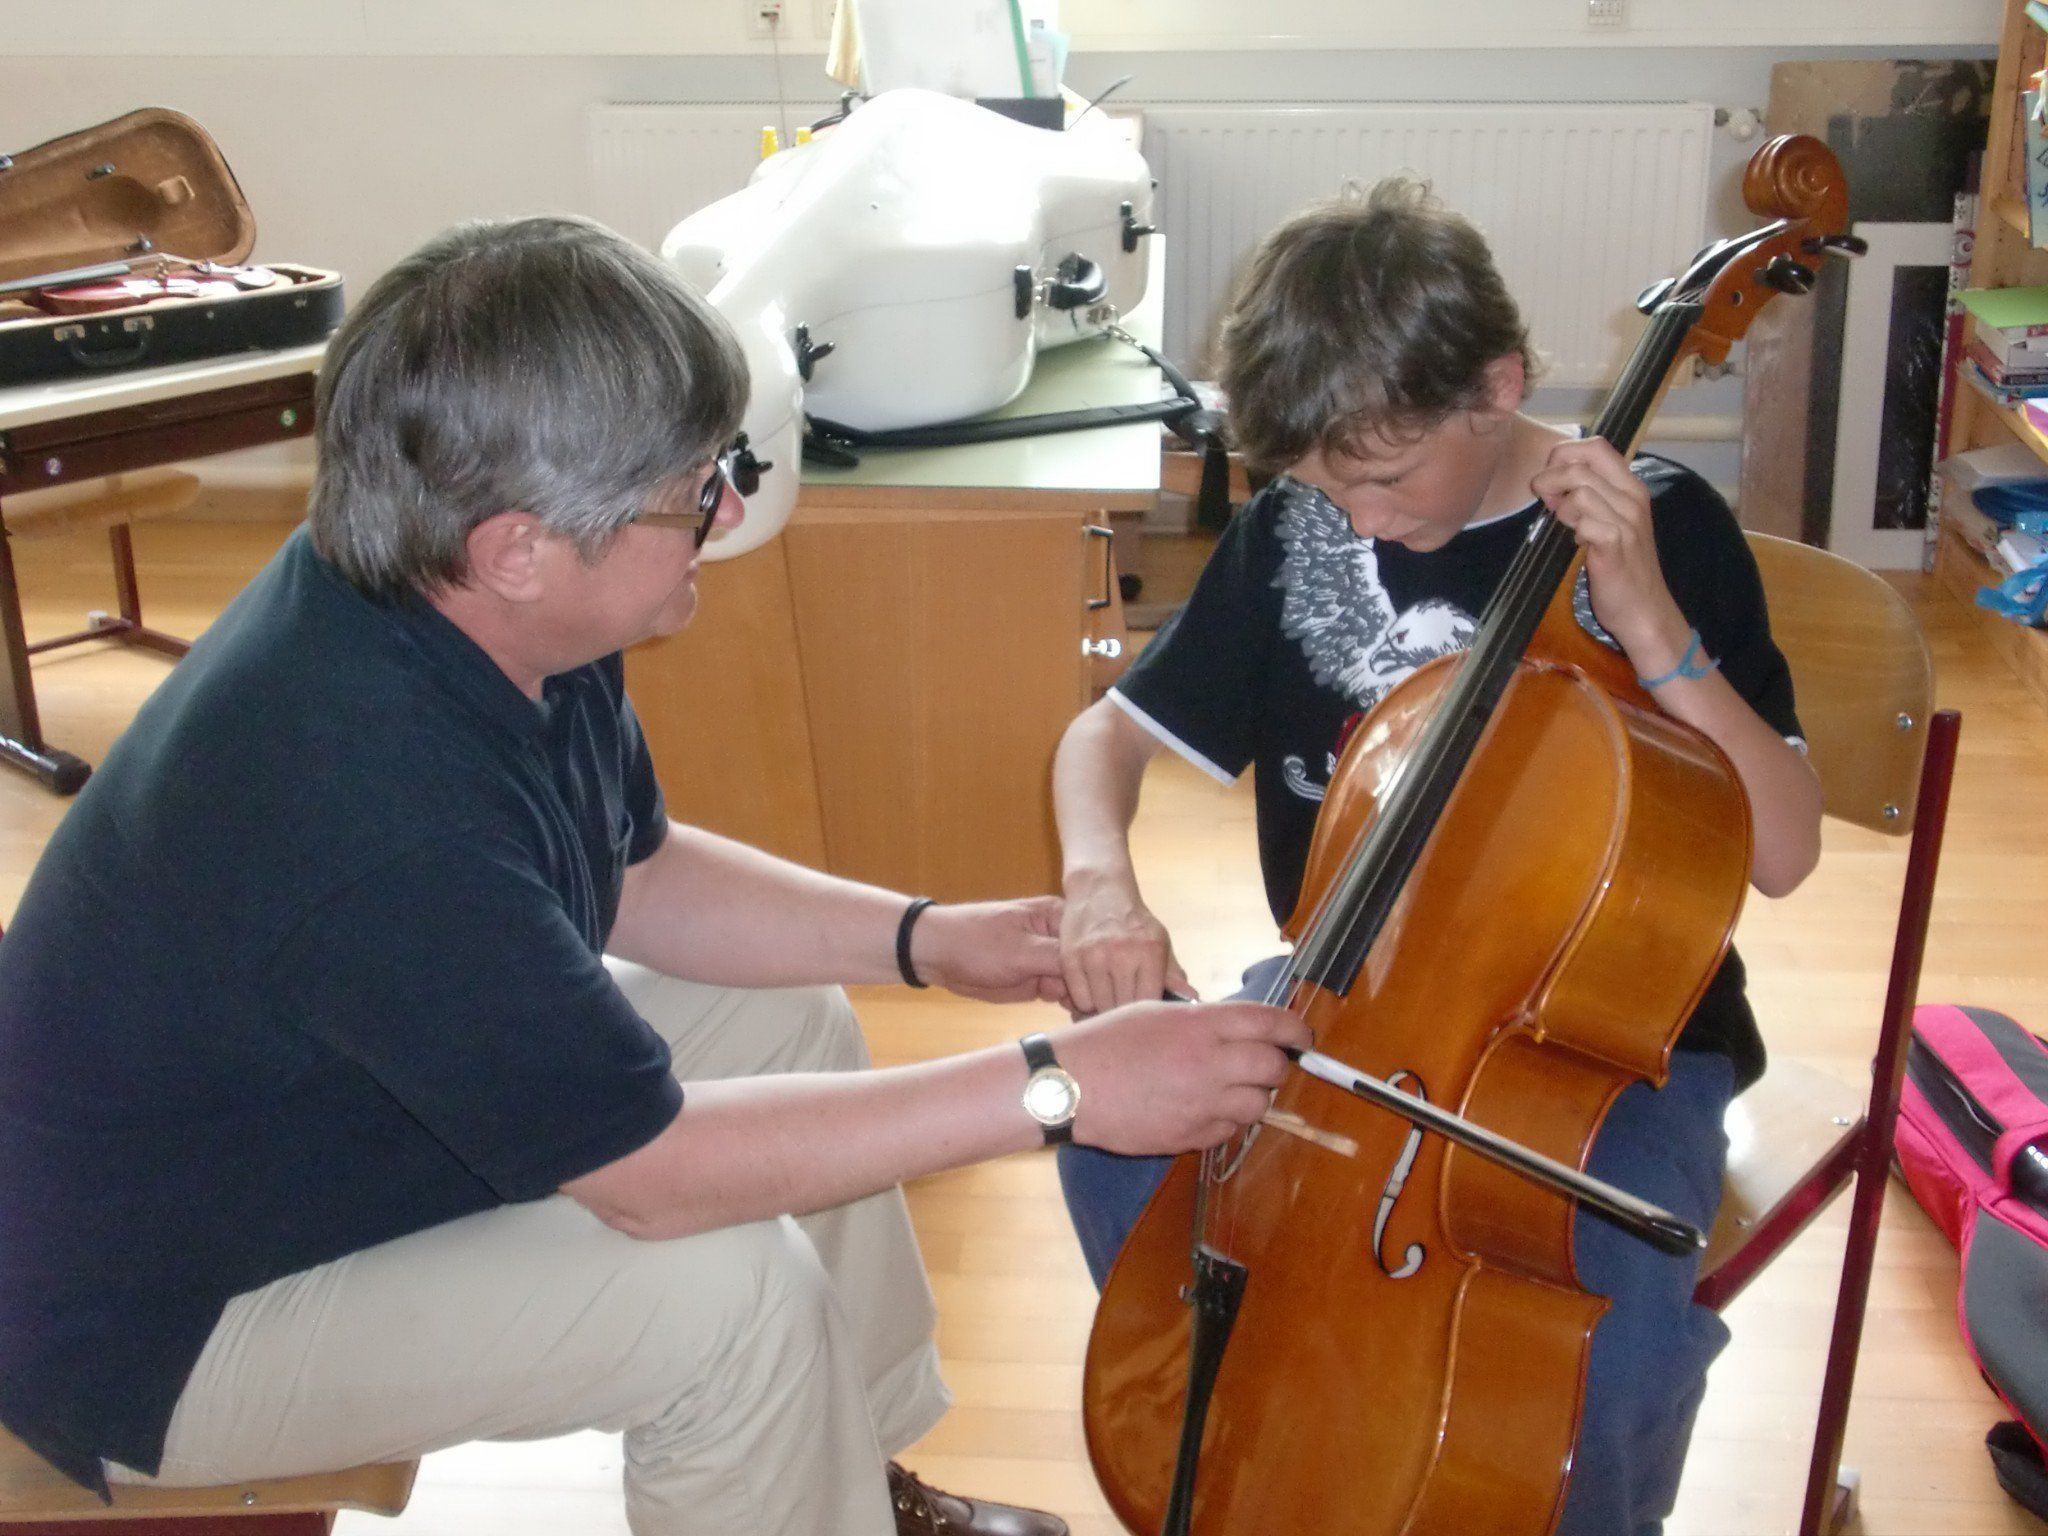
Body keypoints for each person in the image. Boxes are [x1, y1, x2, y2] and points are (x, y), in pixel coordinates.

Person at [0, 215, 1311, 1536]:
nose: (726, 511)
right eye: (693, 493)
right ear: (518, 546)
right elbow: (653, 1177)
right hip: (162, 1320)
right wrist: (1066, 1087)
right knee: (727, 1303)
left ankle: (848, 1481)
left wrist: (931, 939)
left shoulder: (471, 590)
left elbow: (636, 873)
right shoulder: (362, 796)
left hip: (304, 1135)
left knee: (796, 1022)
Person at [1051, 178, 1824, 1535]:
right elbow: (1097, 745)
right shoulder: (1294, 532)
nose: (1355, 522)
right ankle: (1265, 1475)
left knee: (1620, 1339)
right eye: (1319, 486)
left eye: (1388, 478)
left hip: (1607, 1042)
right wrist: (1100, 885)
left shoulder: (1656, 531)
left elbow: (1784, 850)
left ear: (1498, 390)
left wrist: (1654, 629)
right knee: (1110, 1145)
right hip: (1350, 999)